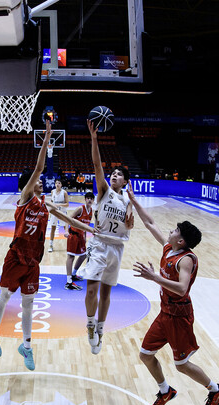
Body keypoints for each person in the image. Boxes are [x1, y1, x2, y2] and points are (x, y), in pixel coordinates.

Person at [0, 118, 95, 371]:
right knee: (4, 296)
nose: (41, 181)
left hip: (33, 260)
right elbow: (37, 168)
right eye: (37, 180)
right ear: (29, 184)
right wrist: (47, 139)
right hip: (16, 256)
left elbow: (67, 218)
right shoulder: (25, 198)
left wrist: (91, 229)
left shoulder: (45, 203)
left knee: (28, 304)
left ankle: (26, 346)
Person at [127, 185, 219, 405]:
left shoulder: (186, 259)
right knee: (145, 354)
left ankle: (215, 389)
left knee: (182, 365)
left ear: (181, 241)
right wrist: (133, 199)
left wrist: (154, 278)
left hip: (180, 314)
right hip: (165, 312)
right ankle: (165, 391)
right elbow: (150, 223)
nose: (170, 231)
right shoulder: (169, 249)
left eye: (174, 230)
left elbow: (182, 289)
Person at [79, 118, 134, 355]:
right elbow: (96, 164)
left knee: (106, 293)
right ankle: (90, 324)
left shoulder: (127, 200)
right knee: (91, 290)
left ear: (126, 181)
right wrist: (94, 138)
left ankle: (100, 329)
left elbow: (130, 224)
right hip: (100, 244)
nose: (114, 175)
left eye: (119, 174)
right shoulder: (104, 191)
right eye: (113, 173)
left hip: (117, 248)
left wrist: (131, 216)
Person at [64, 192, 94, 290]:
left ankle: (73, 274)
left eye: (91, 198)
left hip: (81, 236)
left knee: (84, 255)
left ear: (93, 201)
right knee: (71, 256)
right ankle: (68, 282)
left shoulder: (91, 211)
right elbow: (67, 219)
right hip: (73, 235)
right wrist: (65, 231)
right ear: (85, 199)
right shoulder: (80, 209)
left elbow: (85, 226)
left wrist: (85, 236)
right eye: (88, 198)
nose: (89, 200)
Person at [48, 179, 70, 252]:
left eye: (59, 183)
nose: (57, 184)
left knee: (66, 229)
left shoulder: (64, 192)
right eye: (56, 183)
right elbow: (51, 201)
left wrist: (58, 204)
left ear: (61, 185)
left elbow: (67, 204)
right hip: (54, 213)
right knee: (53, 229)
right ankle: (50, 245)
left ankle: (70, 245)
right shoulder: (52, 192)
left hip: (62, 212)